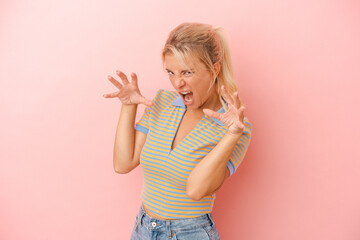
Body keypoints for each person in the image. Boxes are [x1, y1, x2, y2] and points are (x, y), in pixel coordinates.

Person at [103, 22, 252, 240]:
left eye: (187, 72)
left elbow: (196, 190)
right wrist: (128, 106)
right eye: (171, 72)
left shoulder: (236, 128)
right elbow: (123, 163)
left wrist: (231, 136)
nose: (177, 82)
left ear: (214, 69)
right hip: (143, 228)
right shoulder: (163, 102)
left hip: (189, 234)